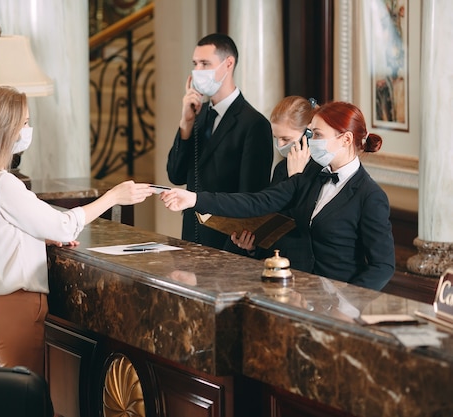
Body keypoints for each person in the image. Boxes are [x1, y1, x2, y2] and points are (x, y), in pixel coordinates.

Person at [0, 85, 153, 375]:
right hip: (14, 308)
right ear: (6, 128)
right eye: (24, 122)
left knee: (5, 399)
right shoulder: (4, 184)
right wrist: (112, 197)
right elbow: (63, 225)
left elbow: (1, 233)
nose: (27, 129)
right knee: (23, 402)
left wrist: (38, 238)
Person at [161, 101, 395, 291]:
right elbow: (258, 202)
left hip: (337, 305)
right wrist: (194, 199)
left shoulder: (370, 195)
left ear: (345, 139)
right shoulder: (308, 174)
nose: (310, 141)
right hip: (293, 294)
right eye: (311, 133)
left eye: (317, 135)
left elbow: (382, 266)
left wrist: (348, 305)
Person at [166, 33, 273, 253]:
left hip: (227, 244)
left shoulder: (254, 123)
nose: (198, 70)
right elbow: (175, 175)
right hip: (190, 240)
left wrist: (233, 250)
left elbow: (251, 198)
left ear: (228, 64)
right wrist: (185, 124)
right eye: (195, 64)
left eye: (205, 63)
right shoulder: (198, 114)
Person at [235, 96, 322, 259]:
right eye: (276, 138)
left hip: (305, 270)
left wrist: (296, 178)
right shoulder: (281, 168)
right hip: (274, 264)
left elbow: (304, 227)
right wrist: (253, 246)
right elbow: (274, 221)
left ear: (309, 134)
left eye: (286, 139)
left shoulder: (322, 171)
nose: (280, 145)